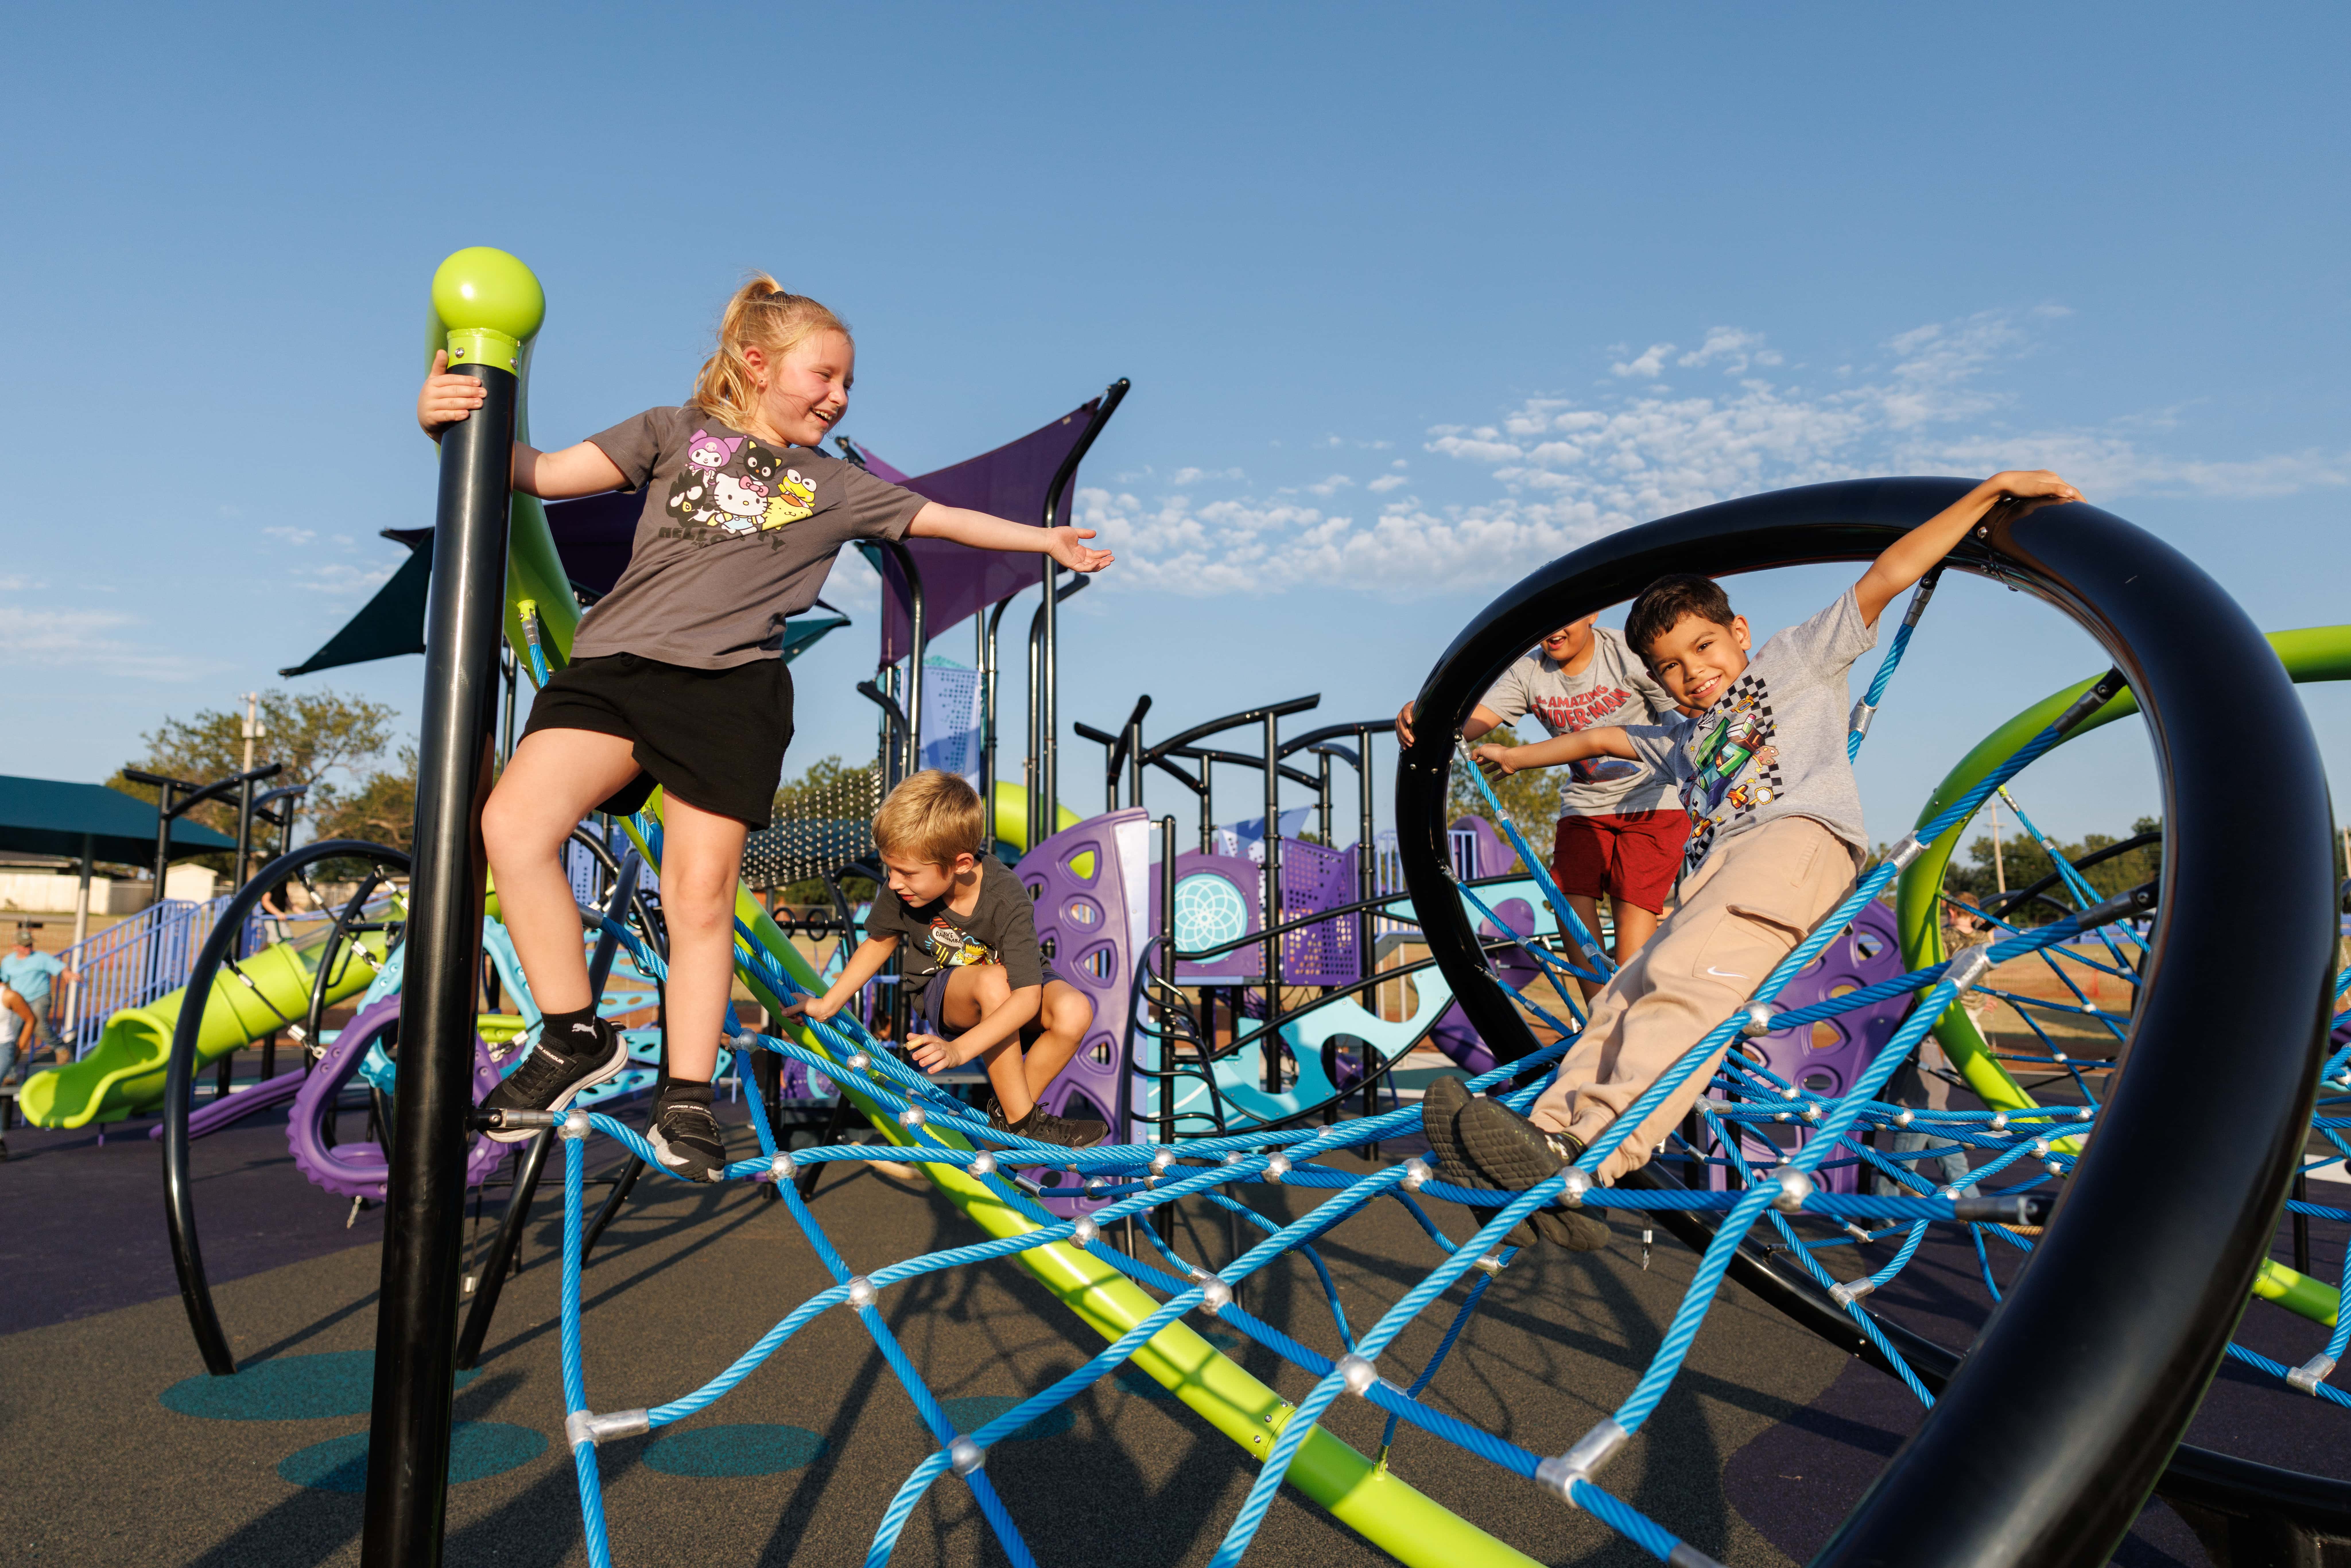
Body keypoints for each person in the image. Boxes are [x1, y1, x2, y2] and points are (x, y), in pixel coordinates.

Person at [424, 277, 1116, 1182]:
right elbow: (543, 474)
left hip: (728, 694)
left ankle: (684, 1094)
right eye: (824, 376)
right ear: (756, 364)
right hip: (615, 670)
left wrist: (1044, 540)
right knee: (513, 828)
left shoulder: (836, 485)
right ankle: (574, 1033)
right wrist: (447, 426)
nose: (839, 396)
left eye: (848, 384)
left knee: (699, 893)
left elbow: (940, 518)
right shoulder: (670, 431)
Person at [1426, 470, 2083, 1249]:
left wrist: (1988, 495)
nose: (1691, 673)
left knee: (1685, 983)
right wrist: (1503, 750)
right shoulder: (1680, 737)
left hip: (1794, 842)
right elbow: (1599, 738)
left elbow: (1887, 574)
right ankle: (1539, 1145)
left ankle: (1591, 1149)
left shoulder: (1793, 659)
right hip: (1719, 872)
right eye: (1668, 667)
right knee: (1622, 994)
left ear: (1738, 632)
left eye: (1702, 647)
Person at [784, 771, 1105, 1148]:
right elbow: (879, 942)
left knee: (1074, 1010)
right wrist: (827, 1004)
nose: (894, 882)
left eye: (907, 873)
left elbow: (1028, 996)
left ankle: (1010, 1124)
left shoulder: (1006, 896)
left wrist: (959, 1051)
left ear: (961, 864)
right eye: (891, 869)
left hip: (1014, 990)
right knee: (994, 981)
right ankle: (1024, 1123)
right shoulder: (901, 890)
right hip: (947, 990)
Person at [1396, 613, 1686, 1001]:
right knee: (1567, 897)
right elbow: (1469, 722)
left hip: (1654, 800)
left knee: (1631, 906)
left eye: (1568, 618)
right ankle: (1598, 1011)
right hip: (1586, 805)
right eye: (1547, 620)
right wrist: (1425, 716)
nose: (1554, 629)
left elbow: (1689, 703)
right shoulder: (1530, 671)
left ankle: (1628, 1007)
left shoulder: (1625, 653)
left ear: (1592, 614)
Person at [1, 930, 76, 1072]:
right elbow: (3, 980)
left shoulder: (40, 958)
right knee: (12, 1034)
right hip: (19, 1001)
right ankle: (10, 1074)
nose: (29, 948)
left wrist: (67, 972)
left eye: (30, 945)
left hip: (39, 997)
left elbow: (60, 967)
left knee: (39, 1025)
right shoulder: (8, 962)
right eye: (25, 946)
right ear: (15, 947)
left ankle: (61, 1048)